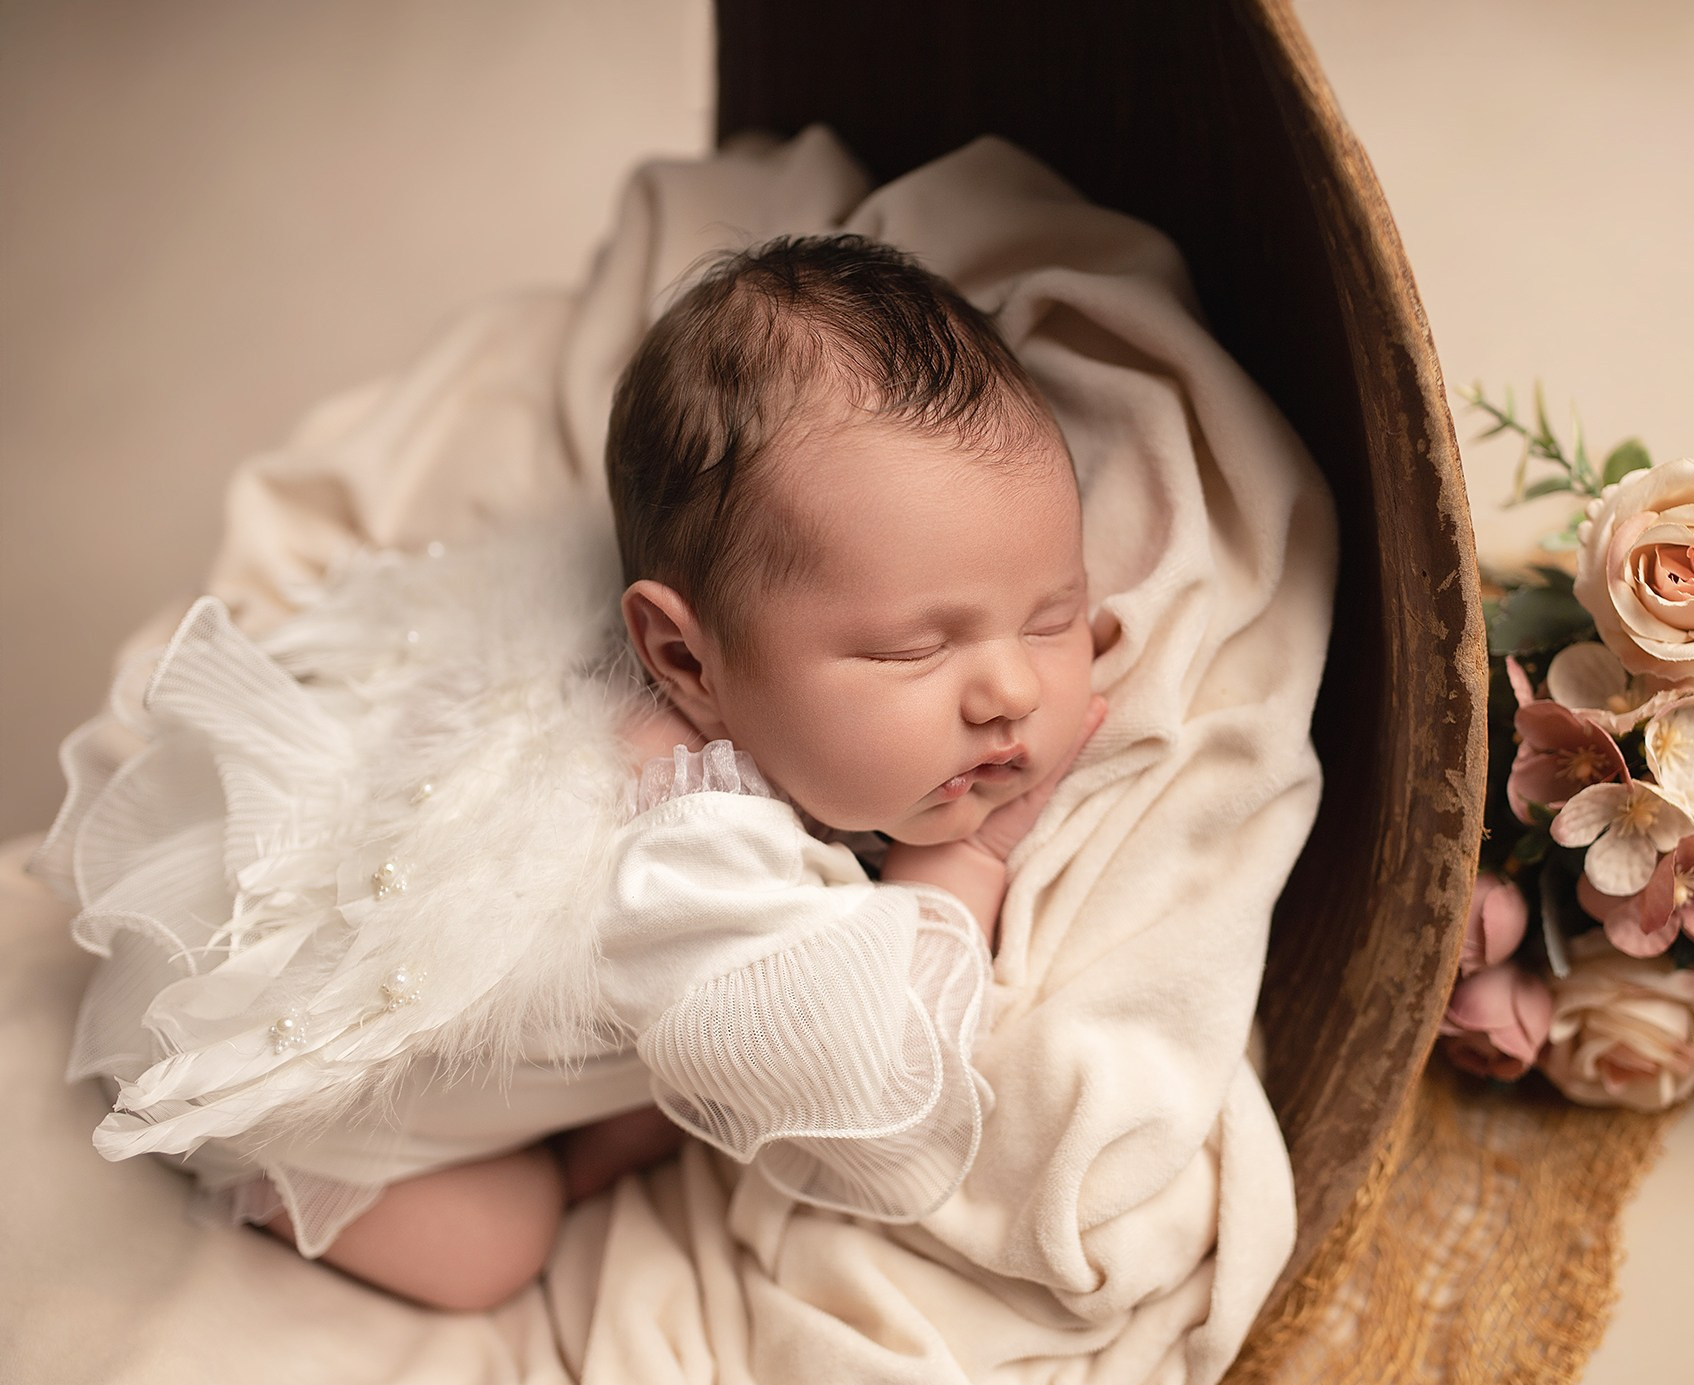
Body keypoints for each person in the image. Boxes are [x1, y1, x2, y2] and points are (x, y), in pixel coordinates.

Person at [32, 234, 1106, 1310]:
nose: (1009, 688)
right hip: (261, 1063)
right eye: (916, 648)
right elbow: (874, 1084)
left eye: (1049, 613)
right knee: (499, 1244)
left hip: (337, 863)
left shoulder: (732, 681)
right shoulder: (686, 862)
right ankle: (274, 1176)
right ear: (683, 657)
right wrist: (964, 862)